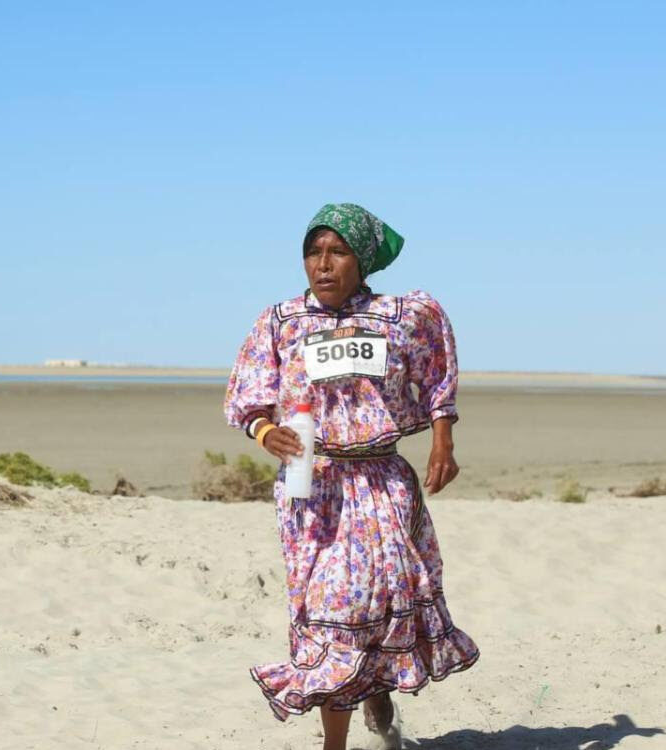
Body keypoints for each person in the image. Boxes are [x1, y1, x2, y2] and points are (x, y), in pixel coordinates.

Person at [224, 203, 479, 750]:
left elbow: (437, 372)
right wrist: (267, 434)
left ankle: (365, 697)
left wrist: (443, 437)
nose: (323, 264)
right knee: (325, 614)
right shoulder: (280, 322)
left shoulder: (401, 316)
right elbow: (249, 399)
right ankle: (349, 713)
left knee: (367, 606)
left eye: (337, 252)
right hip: (310, 488)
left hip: (382, 482)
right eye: (313, 252)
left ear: (360, 261)